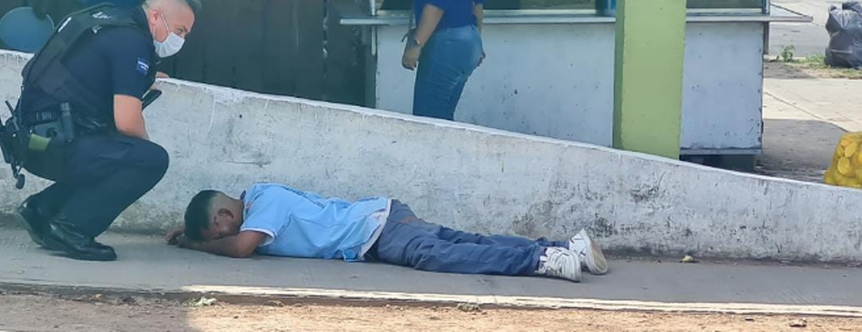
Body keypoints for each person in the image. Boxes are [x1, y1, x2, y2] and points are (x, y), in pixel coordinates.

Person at [14, 0, 200, 261]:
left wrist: (145, 77)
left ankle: (43, 209)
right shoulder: (133, 42)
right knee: (149, 159)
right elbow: (127, 122)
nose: (180, 40)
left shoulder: (107, 22)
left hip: (32, 137)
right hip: (54, 142)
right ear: (155, 16)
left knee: (112, 151)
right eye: (179, 30)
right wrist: (141, 157)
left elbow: (95, 72)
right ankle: (71, 228)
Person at [165, 186, 607, 283]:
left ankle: (538, 261)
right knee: (463, 241)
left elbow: (241, 248)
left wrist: (195, 244)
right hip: (384, 218)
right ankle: (565, 248)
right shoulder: (262, 198)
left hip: (376, 233)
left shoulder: (264, 207)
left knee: (441, 257)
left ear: (224, 215)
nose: (219, 238)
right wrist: (192, 235)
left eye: (215, 231)